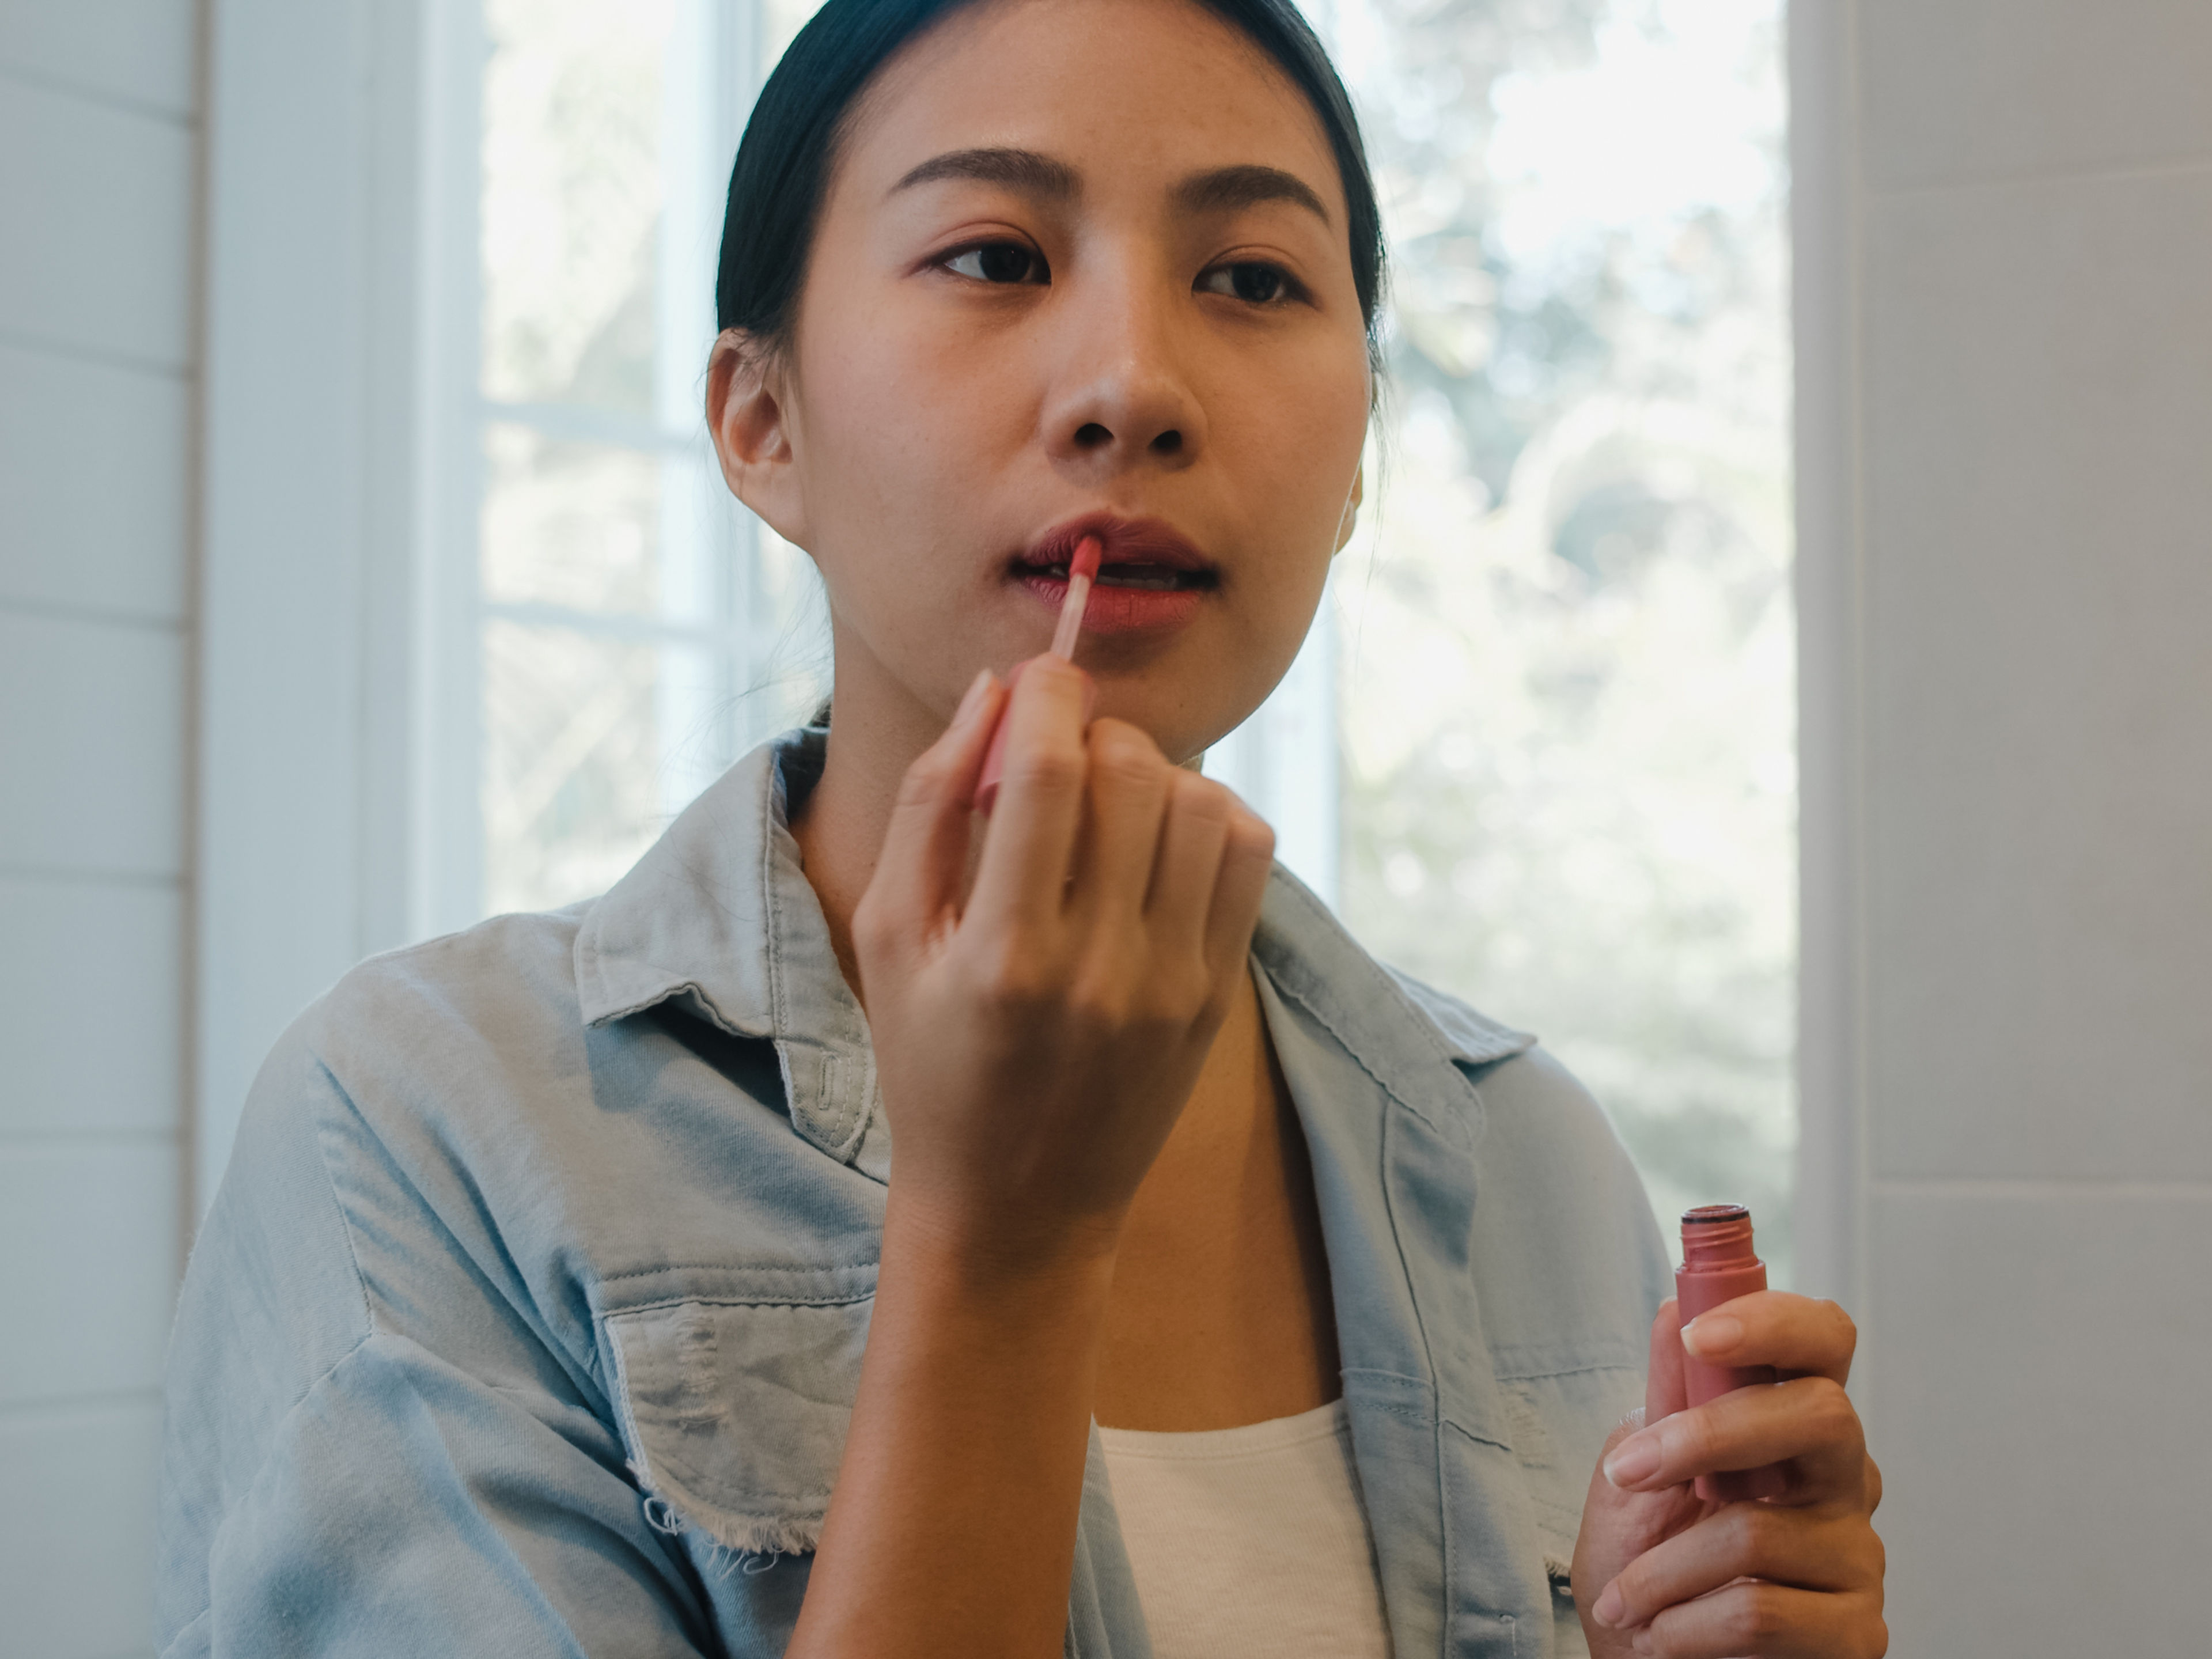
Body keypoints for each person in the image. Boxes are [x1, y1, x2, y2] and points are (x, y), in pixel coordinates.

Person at [156, 1, 1885, 1655]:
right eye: (993, 256)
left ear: (1359, 457)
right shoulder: (422, 1137)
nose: (1133, 388)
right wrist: (1005, 1249)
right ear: (762, 425)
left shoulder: (1531, 1158)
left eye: (1252, 279)